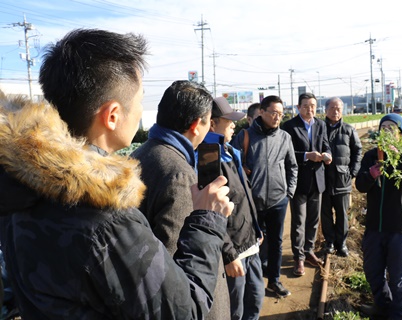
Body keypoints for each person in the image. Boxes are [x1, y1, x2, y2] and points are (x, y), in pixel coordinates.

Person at [0, 29, 233, 319]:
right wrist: (208, 220)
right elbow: (183, 310)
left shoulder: (18, 182)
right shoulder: (105, 218)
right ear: (112, 116)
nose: (140, 111)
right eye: (139, 99)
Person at [132, 81, 231, 320]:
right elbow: (177, 261)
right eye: (209, 122)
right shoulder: (179, 174)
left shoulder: (142, 153)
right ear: (197, 125)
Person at [355, 113, 402, 319]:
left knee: (399, 277)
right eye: (383, 127)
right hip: (375, 227)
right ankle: (383, 306)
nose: (386, 131)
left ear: (400, 134)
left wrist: (401, 158)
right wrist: (371, 175)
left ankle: (399, 315)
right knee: (373, 271)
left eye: (391, 128)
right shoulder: (371, 156)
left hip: (400, 228)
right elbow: (360, 185)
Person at [201, 96, 264, 320]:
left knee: (255, 300)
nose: (233, 125)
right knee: (234, 310)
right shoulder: (208, 156)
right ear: (212, 124)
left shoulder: (229, 150)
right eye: (229, 121)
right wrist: (229, 254)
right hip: (233, 250)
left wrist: (256, 228)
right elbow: (209, 213)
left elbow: (244, 196)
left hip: (250, 242)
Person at [231, 95, 298, 298]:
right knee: (253, 244)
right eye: (274, 113)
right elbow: (232, 165)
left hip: (278, 200)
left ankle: (274, 281)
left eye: (281, 114)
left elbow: (292, 166)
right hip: (252, 202)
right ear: (262, 112)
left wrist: (289, 192)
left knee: (276, 242)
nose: (278, 117)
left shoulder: (285, 137)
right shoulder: (245, 136)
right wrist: (242, 168)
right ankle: (256, 284)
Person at [282, 92, 332, 277]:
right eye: (305, 106)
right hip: (299, 181)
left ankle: (309, 250)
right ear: (298, 107)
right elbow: (286, 153)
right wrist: (306, 155)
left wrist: (328, 155)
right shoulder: (289, 126)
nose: (310, 109)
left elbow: (326, 145)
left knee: (313, 220)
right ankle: (298, 257)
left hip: (318, 179)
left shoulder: (320, 124)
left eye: (312, 106)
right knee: (298, 221)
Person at [321, 97, 362, 257]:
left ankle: (341, 243)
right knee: (325, 213)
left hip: (342, 179)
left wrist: (353, 171)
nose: (335, 111)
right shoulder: (319, 128)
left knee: (342, 214)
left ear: (342, 110)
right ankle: (329, 243)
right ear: (325, 110)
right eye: (332, 108)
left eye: (338, 108)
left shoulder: (349, 130)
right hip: (323, 179)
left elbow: (358, 151)